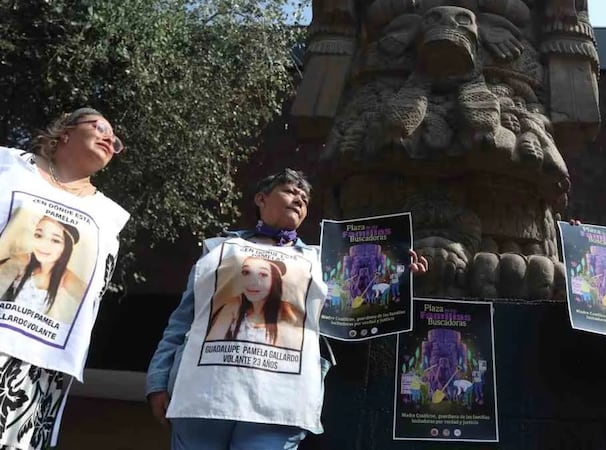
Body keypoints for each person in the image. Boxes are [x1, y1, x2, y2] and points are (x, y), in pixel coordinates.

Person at [146, 168, 428, 450]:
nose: (299, 200)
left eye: (304, 199)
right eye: (291, 191)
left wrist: (399, 277)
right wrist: (158, 381)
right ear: (261, 199)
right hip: (204, 394)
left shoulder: (321, 262)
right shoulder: (219, 249)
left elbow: (355, 307)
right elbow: (182, 322)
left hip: (278, 401)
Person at [0, 108, 129, 449]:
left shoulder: (108, 216)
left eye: (114, 140)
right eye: (100, 126)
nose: (108, 139)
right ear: (66, 133)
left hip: (42, 362)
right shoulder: (11, 166)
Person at [0, 215, 86, 323]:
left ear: (66, 248)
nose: (43, 244)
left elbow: (89, 299)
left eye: (55, 240)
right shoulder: (24, 260)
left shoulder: (65, 276)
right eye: (39, 235)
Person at [206, 256, 300, 346]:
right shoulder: (235, 305)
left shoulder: (286, 311)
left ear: (275, 280)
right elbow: (211, 343)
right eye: (246, 272)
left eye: (263, 274)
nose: (252, 282)